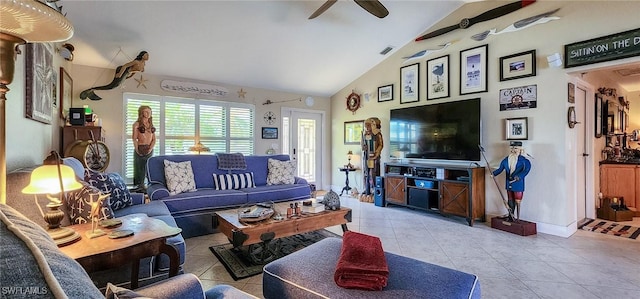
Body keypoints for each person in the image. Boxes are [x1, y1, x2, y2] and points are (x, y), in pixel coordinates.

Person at [80, 51, 149, 100]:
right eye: (146, 54)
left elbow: (135, 71)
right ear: (142, 56)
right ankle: (91, 90)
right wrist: (120, 74)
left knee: (113, 86)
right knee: (113, 86)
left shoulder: (143, 65)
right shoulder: (136, 61)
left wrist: (129, 76)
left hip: (127, 73)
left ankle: (92, 90)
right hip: (122, 70)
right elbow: (125, 66)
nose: (148, 56)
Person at [492, 141, 531, 220]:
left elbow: (526, 170)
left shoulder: (524, 161)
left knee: (518, 200)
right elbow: (500, 169)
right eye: (512, 148)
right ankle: (511, 215)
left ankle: (518, 218)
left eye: (516, 148)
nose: (513, 150)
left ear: (520, 149)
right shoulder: (506, 160)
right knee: (510, 199)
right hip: (508, 183)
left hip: (518, 184)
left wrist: (519, 176)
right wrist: (493, 174)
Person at [132, 105, 156, 192]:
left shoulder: (150, 125)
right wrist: (137, 149)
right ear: (142, 113)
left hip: (149, 149)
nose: (148, 114)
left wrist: (150, 148)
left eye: (149, 112)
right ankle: (140, 186)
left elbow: (154, 139)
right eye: (146, 112)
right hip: (140, 148)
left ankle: (148, 185)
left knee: (148, 168)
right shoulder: (136, 124)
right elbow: (134, 138)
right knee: (139, 168)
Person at [361, 117, 383, 201]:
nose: (367, 128)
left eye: (368, 126)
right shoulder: (364, 134)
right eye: (366, 126)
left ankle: (374, 190)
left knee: (374, 173)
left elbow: (381, 145)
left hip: (374, 157)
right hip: (366, 156)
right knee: (366, 173)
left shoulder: (377, 134)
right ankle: (367, 190)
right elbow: (362, 145)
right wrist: (364, 147)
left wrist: (376, 153)